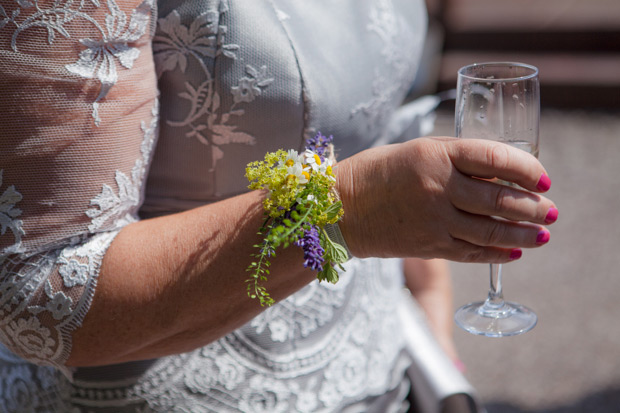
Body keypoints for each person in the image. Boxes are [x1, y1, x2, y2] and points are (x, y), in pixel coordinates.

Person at [0, 0, 557, 411]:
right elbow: (40, 293)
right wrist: (350, 211)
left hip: (381, 380)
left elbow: (380, 126)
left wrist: (433, 323)